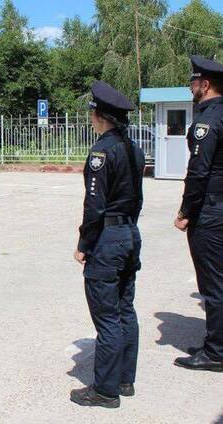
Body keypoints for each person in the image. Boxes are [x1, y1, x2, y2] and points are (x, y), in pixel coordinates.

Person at [70, 81, 145, 409]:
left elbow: (95, 206)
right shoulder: (134, 148)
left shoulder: (102, 151)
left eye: (91, 113)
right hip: (130, 234)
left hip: (109, 240)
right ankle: (125, 379)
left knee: (108, 317)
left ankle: (105, 390)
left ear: (99, 115)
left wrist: (84, 243)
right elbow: (137, 199)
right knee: (125, 308)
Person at [173, 55, 223, 372]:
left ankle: (216, 352)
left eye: (193, 82)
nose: (191, 88)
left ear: (204, 84)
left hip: (211, 211)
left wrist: (185, 211)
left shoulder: (208, 119)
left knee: (213, 282)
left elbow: (198, 172)